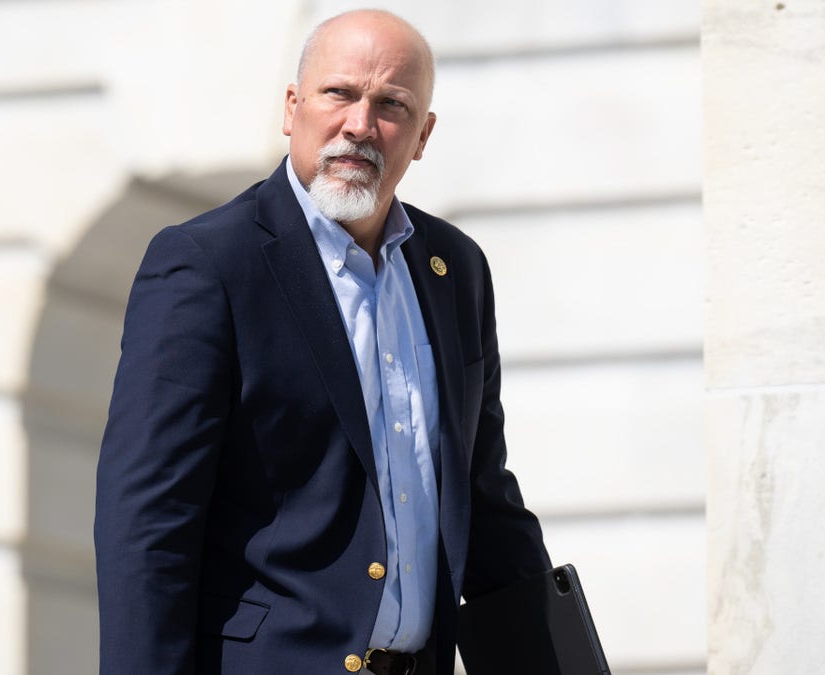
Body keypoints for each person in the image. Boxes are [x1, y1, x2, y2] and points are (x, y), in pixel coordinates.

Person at [94, 9, 549, 674]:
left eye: (391, 104)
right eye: (339, 93)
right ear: (292, 107)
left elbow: (483, 503)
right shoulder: (207, 263)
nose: (360, 125)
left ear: (421, 136)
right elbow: (148, 523)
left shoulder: (455, 269)